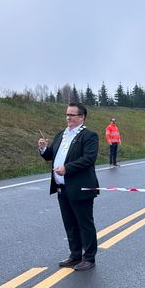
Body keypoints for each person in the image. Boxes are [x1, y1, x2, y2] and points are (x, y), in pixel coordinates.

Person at [38, 102, 99, 271]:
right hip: (62, 188)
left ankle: (89, 258)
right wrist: (43, 149)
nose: (68, 118)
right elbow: (52, 154)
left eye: (72, 115)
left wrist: (67, 168)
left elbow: (89, 159)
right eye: (67, 114)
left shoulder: (89, 136)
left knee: (84, 223)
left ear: (82, 117)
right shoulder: (61, 135)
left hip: (81, 187)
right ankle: (74, 255)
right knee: (70, 223)